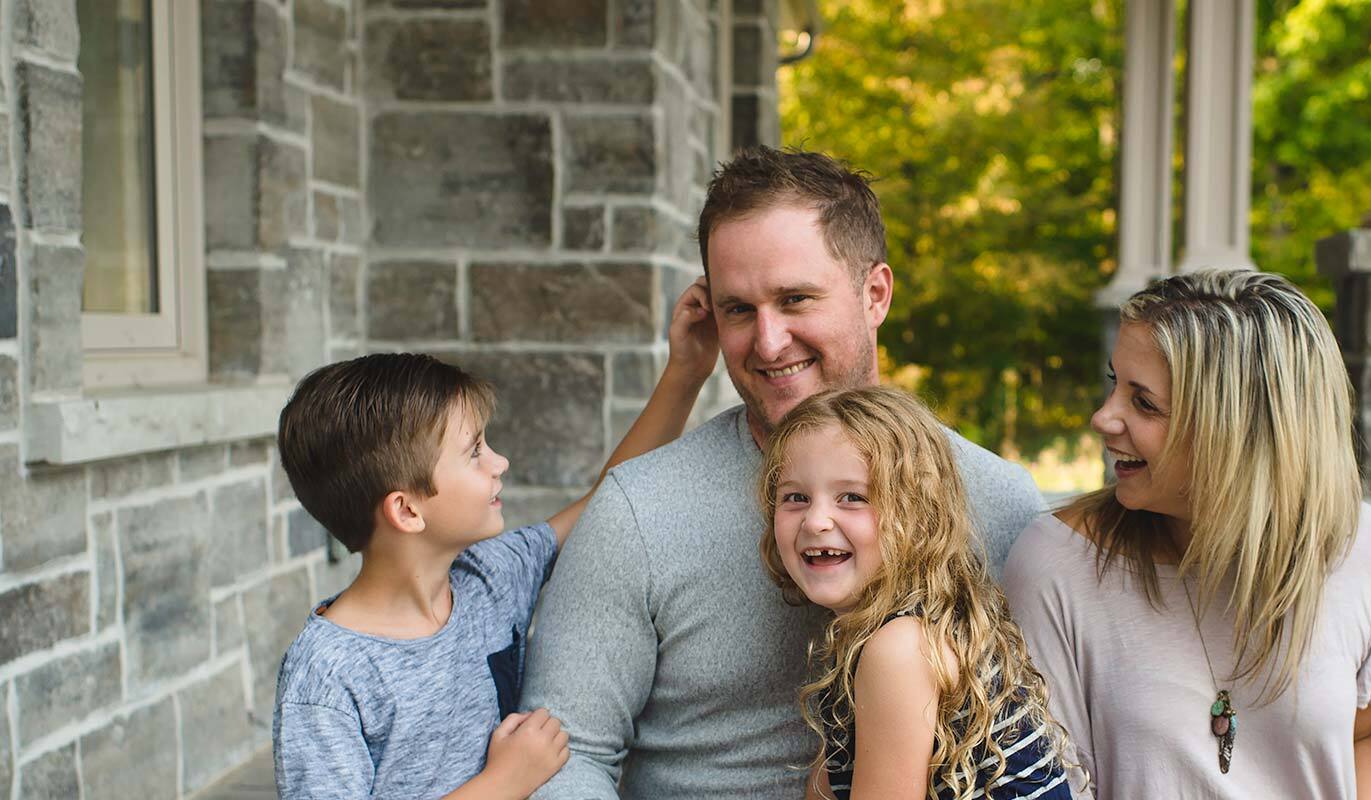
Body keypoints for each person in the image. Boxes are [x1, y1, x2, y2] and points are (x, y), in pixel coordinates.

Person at [518, 146, 1046, 797]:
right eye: (738, 309)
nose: (768, 342)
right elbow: (562, 753)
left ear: (875, 293)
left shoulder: (998, 503)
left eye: (795, 299)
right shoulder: (640, 510)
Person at [269, 285, 716, 800]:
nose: (499, 462)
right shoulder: (327, 677)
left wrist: (686, 373)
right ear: (408, 510)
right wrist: (504, 783)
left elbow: (606, 498)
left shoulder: (490, 577)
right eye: (474, 451)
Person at [1002, 268, 1371, 799]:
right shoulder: (1058, 565)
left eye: (1144, 402)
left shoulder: (1362, 548)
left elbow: (1362, 738)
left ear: (1239, 432)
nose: (1103, 418)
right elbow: (1050, 784)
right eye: (1116, 384)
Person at [758, 387, 1077, 799]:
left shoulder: (901, 648)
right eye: (795, 497)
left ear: (918, 519)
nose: (816, 520)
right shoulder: (884, 634)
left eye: (852, 497)